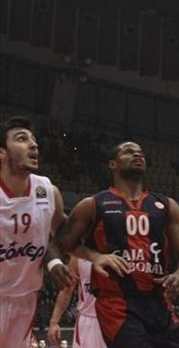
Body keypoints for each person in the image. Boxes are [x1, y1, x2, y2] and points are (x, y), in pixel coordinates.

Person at [54, 141, 179, 347]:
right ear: (112, 164)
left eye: (141, 153)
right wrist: (96, 256)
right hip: (117, 304)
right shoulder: (94, 204)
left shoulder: (167, 205)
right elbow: (61, 243)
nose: (138, 155)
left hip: (158, 302)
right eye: (129, 152)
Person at [0, 116, 75, 346]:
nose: (33, 145)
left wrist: (54, 262)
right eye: (22, 139)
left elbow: (65, 233)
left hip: (25, 300)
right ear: (2, 153)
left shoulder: (47, 190)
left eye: (34, 140)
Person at [48, 257, 107, 348]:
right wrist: (54, 321)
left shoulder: (121, 249)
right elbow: (67, 288)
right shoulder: (78, 257)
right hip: (88, 321)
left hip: (115, 316)